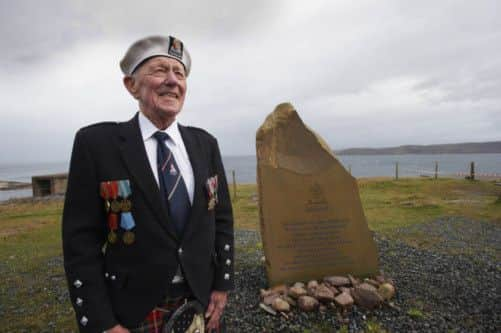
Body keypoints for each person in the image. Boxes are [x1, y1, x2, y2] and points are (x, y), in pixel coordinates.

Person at [62, 35, 234, 333]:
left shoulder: (205, 144)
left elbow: (221, 220)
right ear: (131, 85)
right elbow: (81, 244)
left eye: (179, 73)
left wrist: (222, 285)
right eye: (159, 70)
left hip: (200, 302)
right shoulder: (97, 145)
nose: (172, 80)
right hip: (133, 310)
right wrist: (102, 322)